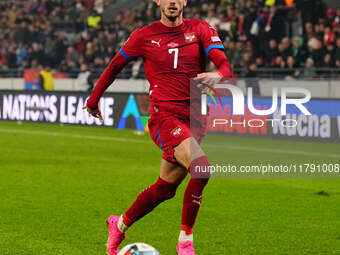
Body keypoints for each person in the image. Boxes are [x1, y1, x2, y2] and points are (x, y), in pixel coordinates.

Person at [83, 0, 233, 254]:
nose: (173, 1)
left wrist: (219, 74)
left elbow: (224, 63)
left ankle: (118, 225)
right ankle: (185, 241)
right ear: (158, 1)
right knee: (202, 167)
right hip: (165, 117)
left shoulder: (201, 29)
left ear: (184, 1)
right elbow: (115, 66)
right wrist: (94, 99)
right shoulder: (144, 35)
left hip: (195, 119)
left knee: (164, 189)